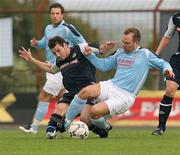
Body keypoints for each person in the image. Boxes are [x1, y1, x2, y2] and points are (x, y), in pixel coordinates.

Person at [60, 27, 175, 131]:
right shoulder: (120, 52)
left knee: (93, 112)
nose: (124, 45)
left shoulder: (145, 54)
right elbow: (103, 66)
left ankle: (104, 126)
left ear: (136, 42)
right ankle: (66, 123)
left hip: (125, 96)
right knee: (85, 91)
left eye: (127, 43)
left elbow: (163, 63)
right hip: (112, 85)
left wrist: (167, 69)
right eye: (123, 42)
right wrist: (90, 55)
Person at [18, 36, 113, 139]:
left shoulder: (80, 48)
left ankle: (102, 130)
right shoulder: (59, 61)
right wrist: (31, 60)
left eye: (58, 50)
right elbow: (51, 69)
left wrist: (106, 47)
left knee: (85, 119)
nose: (57, 55)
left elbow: (100, 49)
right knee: (59, 111)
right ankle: (50, 133)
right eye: (54, 53)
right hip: (72, 93)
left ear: (65, 45)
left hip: (89, 91)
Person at [19, 3, 86, 134]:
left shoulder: (67, 28)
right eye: (52, 13)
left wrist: (77, 57)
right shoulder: (48, 28)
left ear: (62, 15)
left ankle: (33, 127)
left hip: (62, 68)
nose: (55, 16)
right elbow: (46, 43)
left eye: (57, 13)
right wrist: (37, 43)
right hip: (50, 68)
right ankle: (66, 123)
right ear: (50, 14)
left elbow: (82, 42)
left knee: (44, 95)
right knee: (62, 98)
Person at [152, 12, 180, 135]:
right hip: (178, 60)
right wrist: (156, 55)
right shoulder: (176, 18)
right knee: (170, 89)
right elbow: (167, 37)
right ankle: (160, 127)